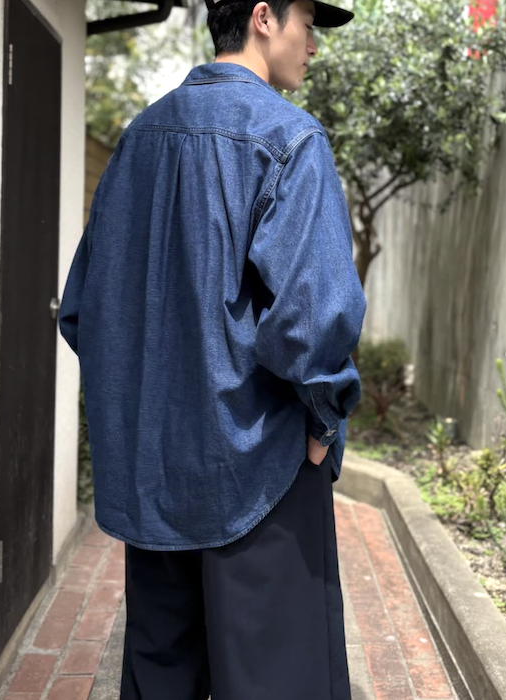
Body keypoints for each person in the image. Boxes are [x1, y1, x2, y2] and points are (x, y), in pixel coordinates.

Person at [59, 0, 366, 696]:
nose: (314, 45)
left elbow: (83, 309)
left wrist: (134, 419)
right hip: (261, 471)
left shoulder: (139, 137)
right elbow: (315, 317)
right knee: (276, 679)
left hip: (153, 474)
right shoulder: (289, 138)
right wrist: (323, 420)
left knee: (161, 675)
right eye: (307, 24)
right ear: (264, 17)